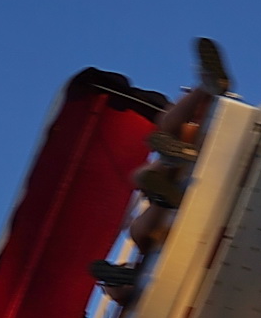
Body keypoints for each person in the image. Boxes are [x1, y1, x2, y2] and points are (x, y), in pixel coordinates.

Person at [91, 39, 232, 301]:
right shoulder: (186, 124)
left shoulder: (188, 125)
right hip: (172, 212)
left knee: (143, 185)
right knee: (143, 197)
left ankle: (169, 173)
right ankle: (205, 87)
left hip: (181, 183)